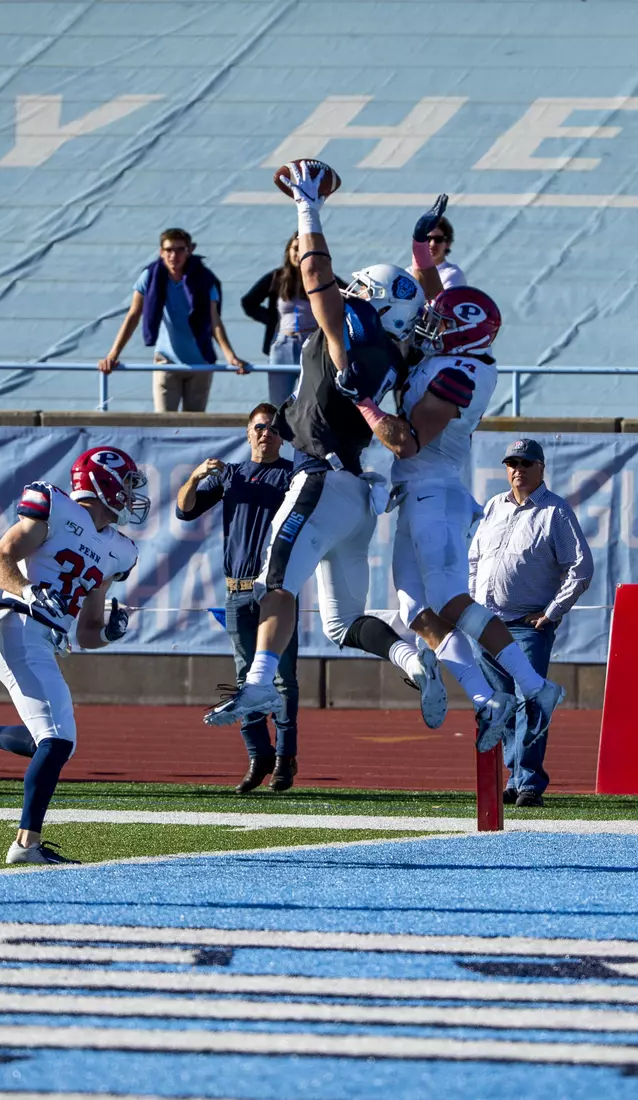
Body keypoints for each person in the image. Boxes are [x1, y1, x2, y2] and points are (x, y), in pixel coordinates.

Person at [203, 159, 443, 731]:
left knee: (274, 585)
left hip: (320, 480)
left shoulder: (352, 336)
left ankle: (257, 685)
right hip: (355, 497)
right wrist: (422, 256)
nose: (349, 294)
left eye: (360, 292)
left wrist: (306, 205)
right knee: (342, 624)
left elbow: (313, 271)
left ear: (373, 305)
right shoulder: (396, 353)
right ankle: (413, 660)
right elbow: (426, 308)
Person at [362, 285, 570, 754]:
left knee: (450, 601)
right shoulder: (452, 358)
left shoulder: (460, 372)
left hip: (435, 493)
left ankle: (535, 686)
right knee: (414, 611)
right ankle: (486, 698)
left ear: (467, 332)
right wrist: (422, 254)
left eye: (442, 324)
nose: (430, 330)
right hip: (417, 494)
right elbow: (432, 293)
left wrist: (365, 403)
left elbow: (406, 443)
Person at [0, 446, 142, 864]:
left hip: (45, 640)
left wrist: (111, 631)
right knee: (58, 739)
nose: (130, 494)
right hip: (18, 627)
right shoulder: (58, 510)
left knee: (55, 742)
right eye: (125, 483)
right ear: (102, 481)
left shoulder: (118, 550)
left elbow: (87, 633)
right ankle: (25, 844)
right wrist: (28, 590)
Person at [175, 403, 299, 792]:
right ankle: (258, 756)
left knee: (282, 679)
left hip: (276, 590)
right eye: (260, 427)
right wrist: (195, 477)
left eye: (274, 429)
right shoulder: (232, 475)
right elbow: (185, 511)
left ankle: (285, 758)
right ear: (248, 432)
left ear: (283, 437)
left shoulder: (293, 475)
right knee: (245, 678)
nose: (266, 433)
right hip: (237, 590)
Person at [468, 439, 593, 806]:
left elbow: (581, 567)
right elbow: (474, 559)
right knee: (501, 702)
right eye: (512, 463)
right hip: (486, 624)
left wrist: (552, 612)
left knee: (531, 701)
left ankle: (529, 783)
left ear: (541, 467)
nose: (517, 469)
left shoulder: (555, 511)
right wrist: (472, 604)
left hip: (527, 625)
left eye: (525, 463)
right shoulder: (494, 505)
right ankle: (514, 777)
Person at [97, 227, 249, 412]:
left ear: (189, 250)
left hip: (200, 362)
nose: (173, 256)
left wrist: (230, 355)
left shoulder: (204, 279)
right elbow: (134, 314)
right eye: (169, 250)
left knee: (194, 423)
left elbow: (214, 321)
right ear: (161, 252)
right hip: (166, 360)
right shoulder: (150, 276)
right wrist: (113, 355)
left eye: (180, 250)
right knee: (163, 421)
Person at [241, 234, 317, 408]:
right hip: (283, 344)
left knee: (311, 401)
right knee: (279, 403)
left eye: (304, 250)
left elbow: (346, 297)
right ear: (288, 251)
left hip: (311, 344)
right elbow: (248, 302)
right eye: (296, 249)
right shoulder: (277, 277)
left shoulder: (320, 278)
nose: (299, 254)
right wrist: (272, 320)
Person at [421, 215, 466, 290]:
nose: (432, 244)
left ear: (448, 244)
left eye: (438, 239)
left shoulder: (453, 275)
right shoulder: (408, 273)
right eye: (428, 239)